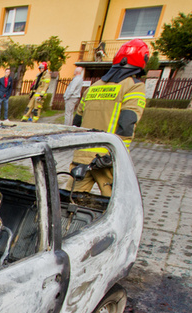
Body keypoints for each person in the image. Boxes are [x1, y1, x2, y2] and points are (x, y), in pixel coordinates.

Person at [71, 39, 149, 196]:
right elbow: (127, 124)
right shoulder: (134, 86)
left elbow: (77, 122)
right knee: (116, 205)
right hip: (106, 159)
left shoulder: (94, 86)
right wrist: (117, 155)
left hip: (82, 156)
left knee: (68, 202)